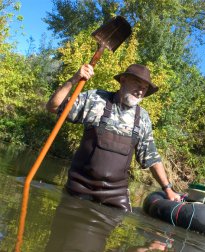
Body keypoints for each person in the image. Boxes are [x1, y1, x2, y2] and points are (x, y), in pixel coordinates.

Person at [46, 63, 181, 211]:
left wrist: (168, 189)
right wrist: (74, 79)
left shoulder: (143, 118)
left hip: (115, 197)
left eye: (145, 88)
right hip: (78, 190)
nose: (140, 91)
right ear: (123, 80)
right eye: (137, 83)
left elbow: (151, 158)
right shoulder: (95, 98)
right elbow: (53, 106)